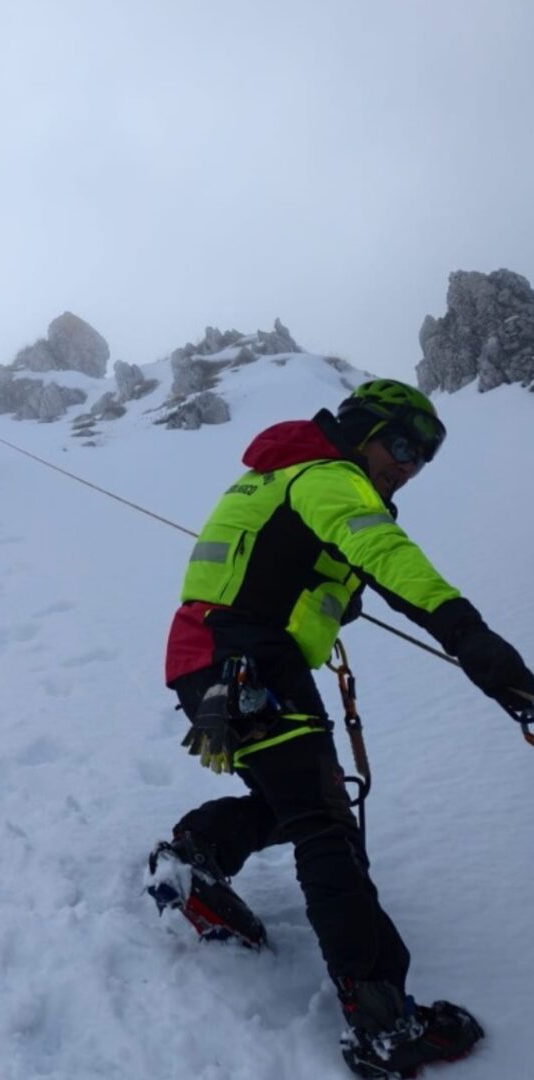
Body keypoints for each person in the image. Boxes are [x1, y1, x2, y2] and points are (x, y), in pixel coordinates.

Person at [145, 378, 534, 1077]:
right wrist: (475, 644)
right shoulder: (328, 477)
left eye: (424, 459)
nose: (410, 466)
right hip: (245, 658)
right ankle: (381, 1019)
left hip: (212, 657)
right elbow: (386, 556)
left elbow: (277, 571)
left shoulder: (284, 475)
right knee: (324, 821)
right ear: (362, 429)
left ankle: (197, 852)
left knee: (295, 802)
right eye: (403, 444)